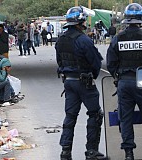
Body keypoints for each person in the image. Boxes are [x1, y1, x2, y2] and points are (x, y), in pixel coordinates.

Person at [55, 6, 106, 160]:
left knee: (70, 116)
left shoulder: (60, 40)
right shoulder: (84, 40)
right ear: (81, 22)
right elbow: (95, 63)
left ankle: (65, 150)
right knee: (95, 114)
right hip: (84, 83)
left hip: (68, 82)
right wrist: (92, 76)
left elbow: (59, 62)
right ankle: (91, 151)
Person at [106, 3, 142, 160]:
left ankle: (129, 153)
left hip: (124, 82)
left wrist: (117, 76)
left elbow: (111, 63)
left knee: (125, 118)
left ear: (126, 20)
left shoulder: (118, 38)